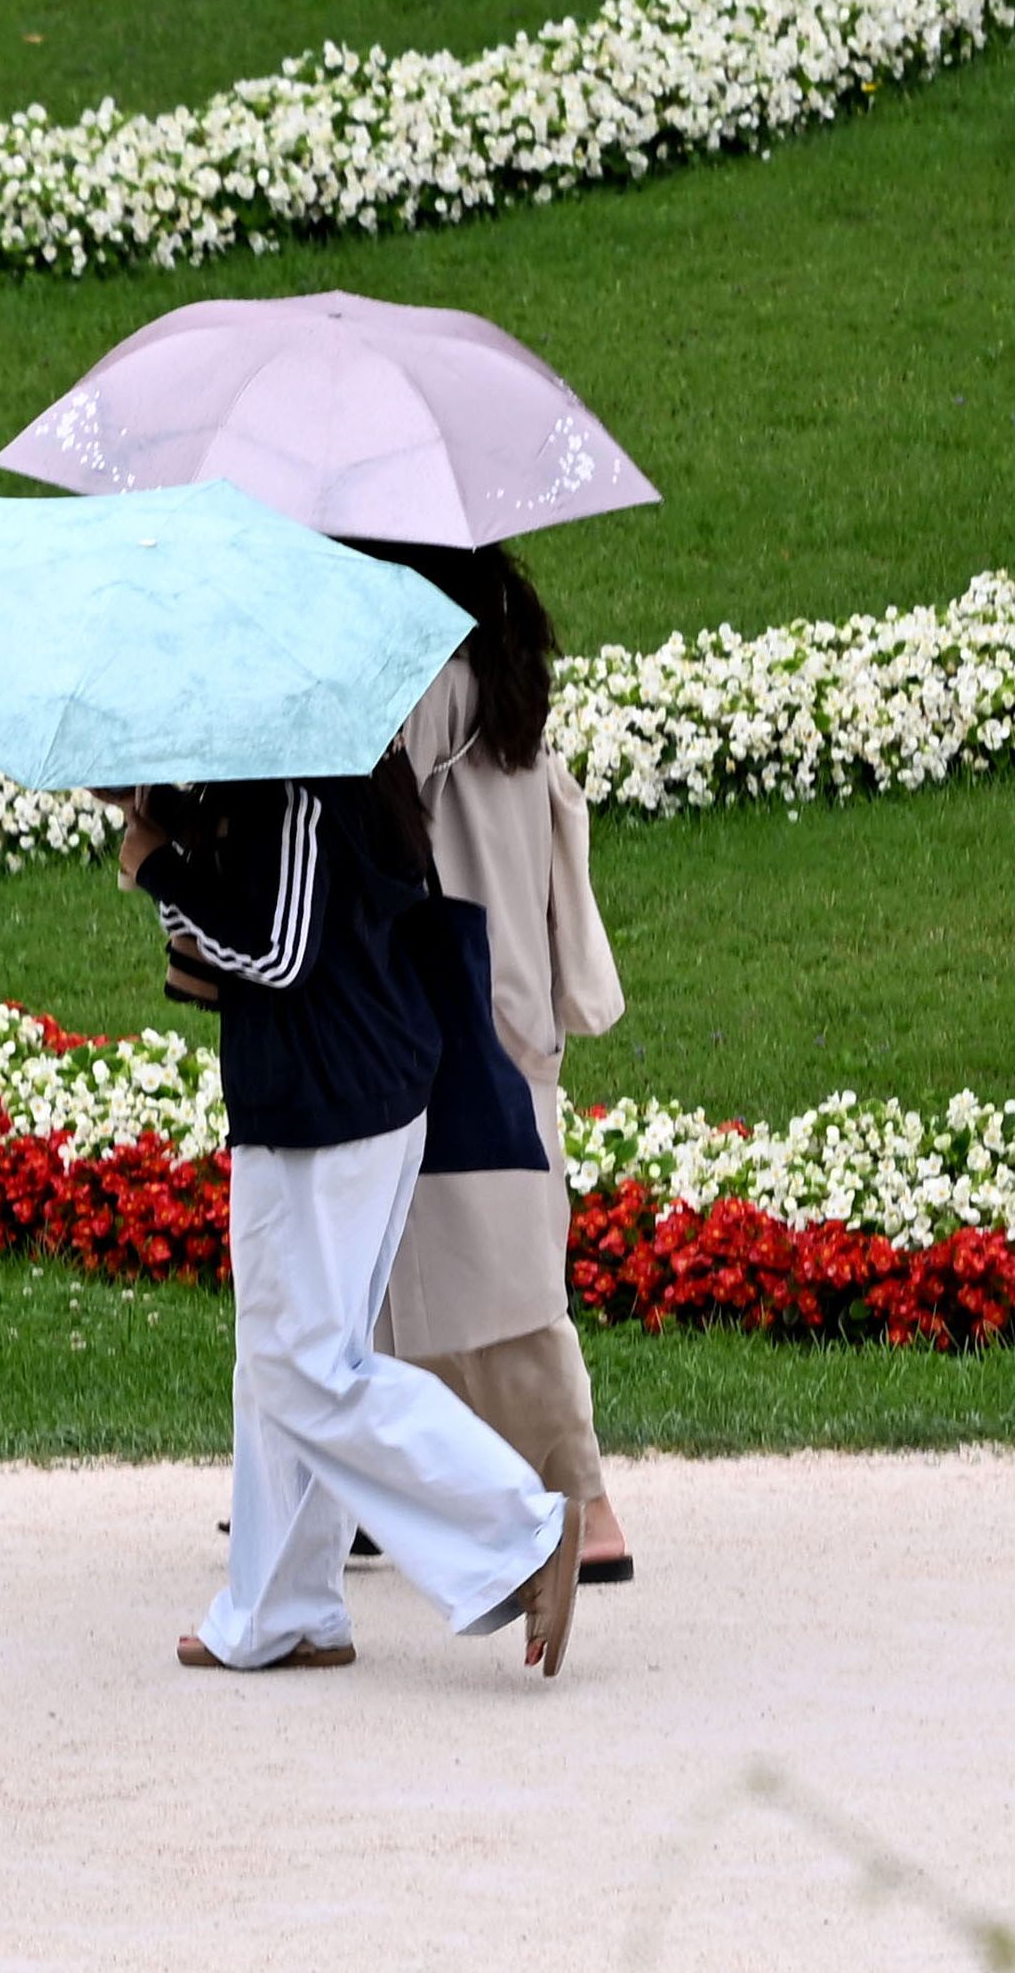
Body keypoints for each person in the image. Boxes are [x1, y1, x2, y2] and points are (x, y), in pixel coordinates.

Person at [122, 759, 583, 1675]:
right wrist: (172, 828)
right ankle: (284, 1613)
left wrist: (160, 870)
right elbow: (275, 913)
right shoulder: (324, 772)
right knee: (285, 1364)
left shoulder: (298, 783)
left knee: (302, 1368)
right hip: (348, 1091)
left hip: (326, 1105)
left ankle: (519, 1526)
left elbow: (276, 952)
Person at [362, 539, 633, 1579]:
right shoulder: (501, 661)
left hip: (453, 995)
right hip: (507, 983)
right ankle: (373, 1482)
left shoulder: (430, 678)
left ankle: (585, 1502)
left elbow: (382, 832)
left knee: (485, 1266)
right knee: (440, 1248)